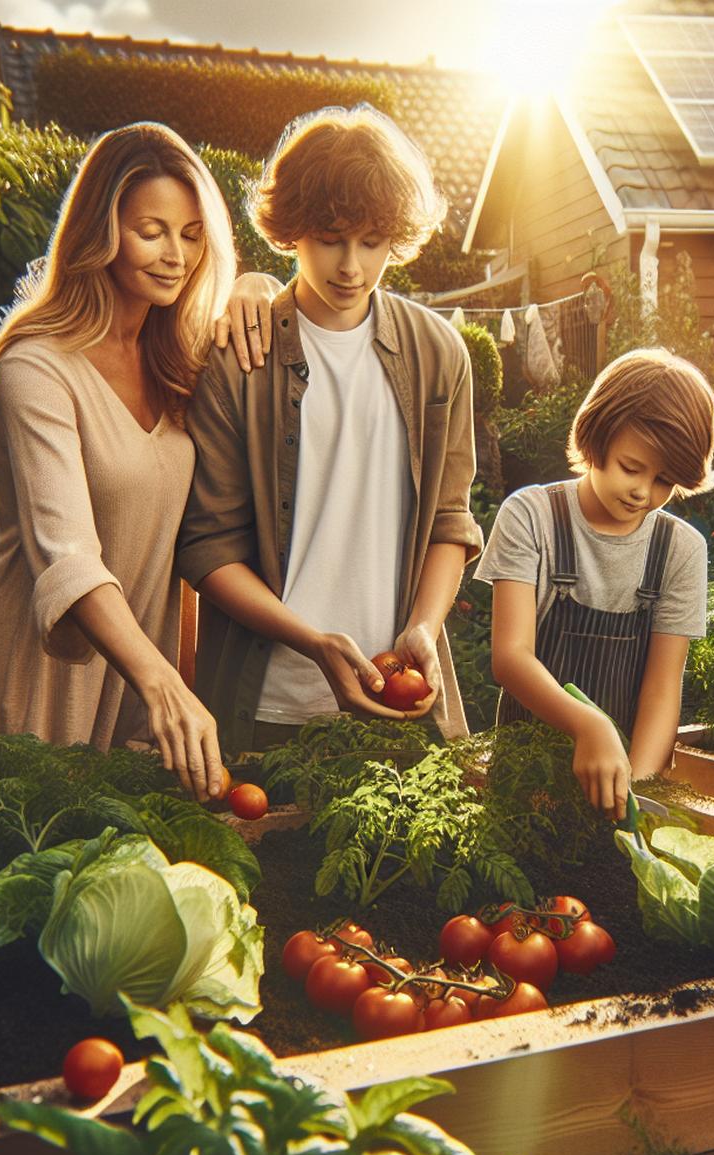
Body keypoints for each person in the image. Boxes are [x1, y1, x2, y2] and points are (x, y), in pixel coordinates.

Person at [176, 106, 482, 754]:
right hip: (265, 711)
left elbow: (451, 522)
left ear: (396, 236)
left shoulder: (439, 354)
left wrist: (424, 631)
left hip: (402, 706)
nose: (350, 265)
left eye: (372, 241)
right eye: (329, 237)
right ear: (291, 233)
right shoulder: (237, 357)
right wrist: (311, 643)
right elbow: (208, 550)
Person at [0, 123, 236, 800]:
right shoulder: (37, 365)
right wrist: (162, 680)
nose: (177, 254)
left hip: (141, 657)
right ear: (100, 230)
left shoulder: (178, 365)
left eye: (193, 233)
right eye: (153, 229)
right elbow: (67, 552)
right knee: (31, 864)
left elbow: (185, 547)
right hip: (41, 653)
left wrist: (178, 672)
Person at [474, 348, 714, 818]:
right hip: (526, 789)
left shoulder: (681, 550)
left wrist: (638, 793)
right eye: (632, 468)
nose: (643, 492)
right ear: (596, 438)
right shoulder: (531, 517)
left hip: (623, 786)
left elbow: (663, 687)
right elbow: (510, 658)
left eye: (665, 481)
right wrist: (589, 726)